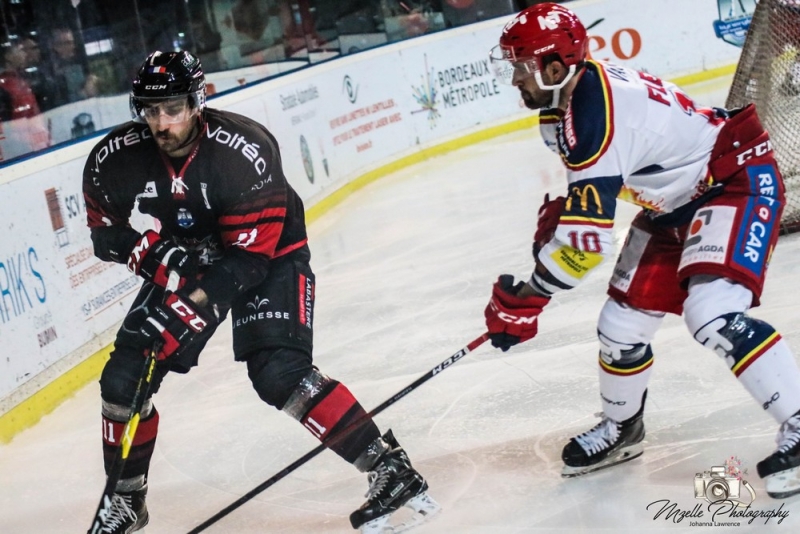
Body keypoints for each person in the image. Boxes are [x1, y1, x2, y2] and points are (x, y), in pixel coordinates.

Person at [82, 50, 439, 533]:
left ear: (197, 102)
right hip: (191, 257)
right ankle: (125, 501)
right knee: (123, 380)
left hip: (268, 254)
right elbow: (106, 234)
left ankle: (388, 468)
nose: (160, 123)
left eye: (172, 108)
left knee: (278, 371)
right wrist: (161, 260)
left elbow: (245, 265)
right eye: (149, 110)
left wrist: (185, 311)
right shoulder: (115, 157)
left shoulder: (242, 151)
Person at [484, 2, 800, 498]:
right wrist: (571, 212)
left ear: (554, 67)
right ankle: (622, 430)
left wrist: (531, 296)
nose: (514, 80)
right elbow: (596, 201)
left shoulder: (592, 116)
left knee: (712, 313)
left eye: (521, 68)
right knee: (620, 327)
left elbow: (586, 245)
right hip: (677, 201)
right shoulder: (569, 100)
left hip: (732, 180)